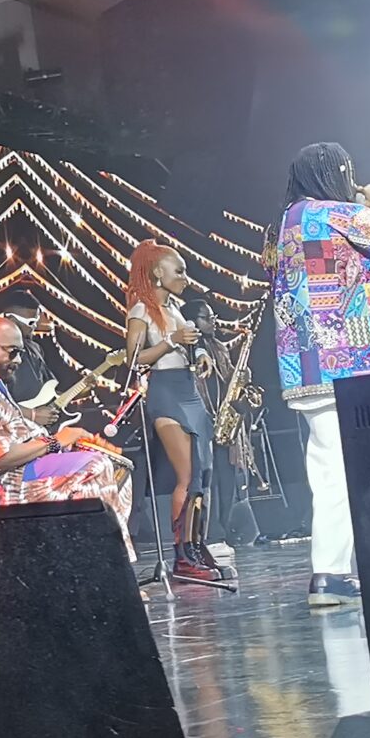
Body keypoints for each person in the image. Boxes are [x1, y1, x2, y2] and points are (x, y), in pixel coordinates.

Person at [269, 143, 370, 610]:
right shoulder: (338, 213)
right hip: (353, 362)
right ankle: (359, 567)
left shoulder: (287, 221)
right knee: (365, 468)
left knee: (329, 469)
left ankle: (331, 572)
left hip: (306, 365)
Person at [0, 313, 134, 550]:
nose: (18, 360)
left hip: (16, 474)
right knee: (96, 466)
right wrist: (54, 442)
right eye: (12, 352)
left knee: (114, 469)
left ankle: (92, 558)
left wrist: (66, 444)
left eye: (20, 353)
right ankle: (103, 560)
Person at [125, 240, 228, 583]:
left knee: (202, 474)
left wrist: (201, 354)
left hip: (188, 388)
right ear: (158, 273)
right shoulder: (141, 310)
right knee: (187, 475)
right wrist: (171, 341)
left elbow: (187, 344)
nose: (185, 278)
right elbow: (134, 360)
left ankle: (196, 544)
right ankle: (182, 556)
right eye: (179, 271)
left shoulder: (176, 308)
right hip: (166, 392)